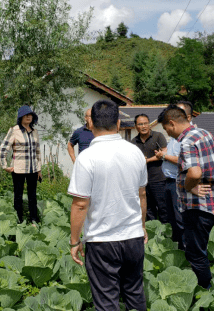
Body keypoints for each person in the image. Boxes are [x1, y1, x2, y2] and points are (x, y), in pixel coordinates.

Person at [68, 99, 148, 311]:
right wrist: (142, 227)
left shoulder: (87, 158)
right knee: (134, 293)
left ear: (91, 124)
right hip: (133, 238)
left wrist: (74, 241)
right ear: (119, 124)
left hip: (102, 241)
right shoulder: (136, 153)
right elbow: (142, 195)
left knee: (106, 302)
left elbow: (80, 205)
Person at [159, 104, 214, 289]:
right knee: (199, 248)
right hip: (212, 203)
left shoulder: (186, 141)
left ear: (172, 123)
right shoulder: (204, 133)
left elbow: (194, 173)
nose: (168, 133)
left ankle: (205, 292)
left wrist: (190, 187)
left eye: (166, 129)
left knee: (195, 253)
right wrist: (210, 171)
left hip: (198, 206)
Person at [0, 105, 42, 224]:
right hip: (18, 169)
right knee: (18, 196)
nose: (29, 117)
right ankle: (19, 220)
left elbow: (37, 151)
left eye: (31, 115)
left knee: (32, 196)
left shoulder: (35, 132)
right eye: (26, 115)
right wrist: (5, 166)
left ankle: (34, 219)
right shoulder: (14, 130)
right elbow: (3, 149)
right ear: (20, 117)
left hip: (33, 169)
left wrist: (39, 169)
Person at [131, 114, 168, 222]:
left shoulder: (158, 136)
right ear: (135, 126)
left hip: (158, 179)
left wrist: (146, 160)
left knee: (163, 207)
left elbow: (164, 153)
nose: (143, 126)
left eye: (146, 123)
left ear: (149, 124)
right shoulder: (134, 142)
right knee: (148, 208)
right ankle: (151, 232)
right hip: (142, 181)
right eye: (140, 124)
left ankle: (166, 233)